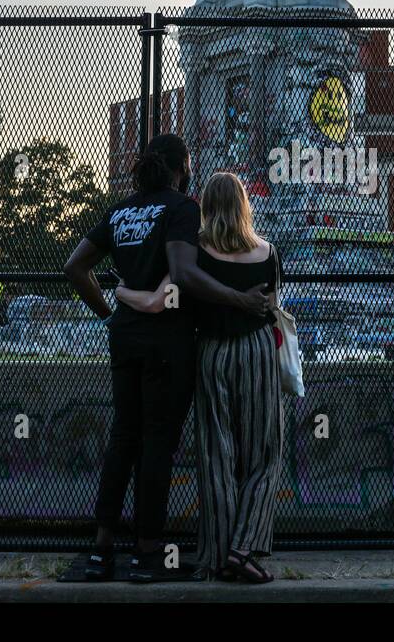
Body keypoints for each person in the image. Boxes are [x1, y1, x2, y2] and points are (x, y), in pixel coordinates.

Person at [63, 135, 269, 582]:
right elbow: (181, 274)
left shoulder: (121, 211)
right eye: (190, 165)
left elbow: (74, 267)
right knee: (157, 442)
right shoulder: (180, 208)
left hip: (125, 337)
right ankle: (147, 552)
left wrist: (109, 314)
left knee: (123, 437)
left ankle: (101, 550)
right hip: (167, 341)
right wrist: (237, 297)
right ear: (181, 168)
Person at [116, 171, 284, 584]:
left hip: (210, 352)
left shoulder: (196, 253)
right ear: (245, 206)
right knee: (264, 455)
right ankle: (244, 549)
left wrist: (121, 293)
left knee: (217, 456)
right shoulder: (268, 252)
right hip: (258, 351)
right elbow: (272, 309)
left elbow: (158, 300)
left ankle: (216, 555)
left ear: (206, 207)